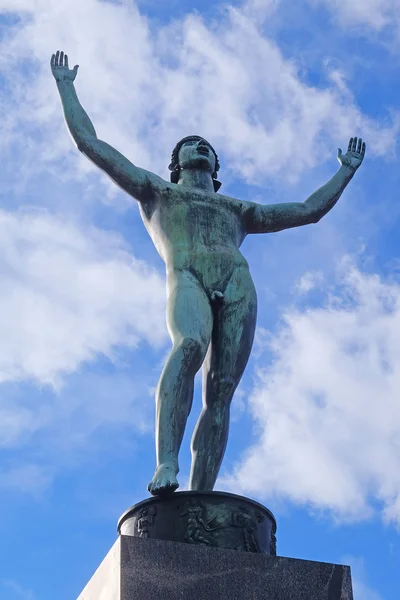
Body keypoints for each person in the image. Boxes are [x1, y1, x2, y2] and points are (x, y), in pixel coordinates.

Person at [51, 50, 366, 496]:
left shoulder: (237, 209)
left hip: (237, 282)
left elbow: (307, 210)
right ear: (176, 161)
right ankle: (167, 463)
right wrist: (67, 85)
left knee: (221, 390)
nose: (199, 146)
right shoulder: (155, 191)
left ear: (216, 168)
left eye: (207, 147)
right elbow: (90, 143)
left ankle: (200, 494)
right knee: (190, 345)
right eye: (189, 144)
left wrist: (345, 173)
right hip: (189, 277)